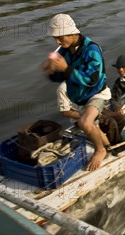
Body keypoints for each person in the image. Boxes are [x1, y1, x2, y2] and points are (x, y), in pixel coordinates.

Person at [41, 14, 110, 171]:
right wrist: (51, 71)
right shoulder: (65, 51)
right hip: (80, 98)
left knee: (85, 123)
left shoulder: (91, 50)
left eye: (60, 37)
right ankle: (112, 147)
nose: (57, 42)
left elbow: (91, 79)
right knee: (93, 127)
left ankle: (101, 150)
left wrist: (66, 68)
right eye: (55, 39)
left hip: (96, 93)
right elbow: (60, 77)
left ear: (72, 33)